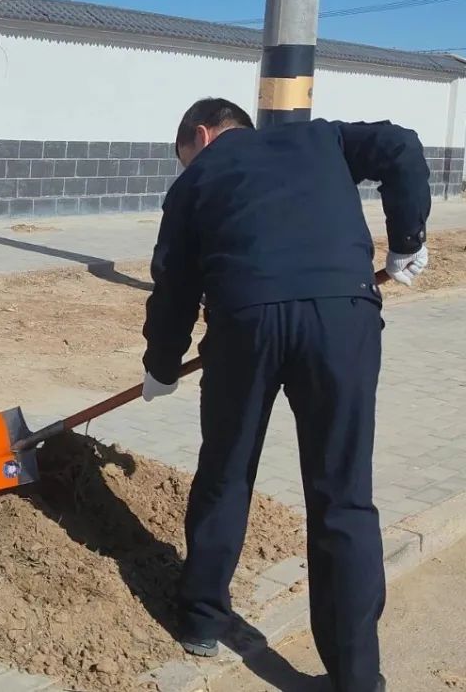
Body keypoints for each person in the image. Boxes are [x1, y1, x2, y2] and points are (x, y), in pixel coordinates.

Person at [140, 98, 431, 692]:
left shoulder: (198, 179)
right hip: (341, 316)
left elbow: (174, 281)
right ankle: (355, 677)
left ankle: (201, 618)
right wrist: (407, 237)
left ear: (200, 136)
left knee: (226, 469)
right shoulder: (323, 139)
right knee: (343, 496)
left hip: (243, 323)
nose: (187, 166)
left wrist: (161, 364)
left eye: (184, 157)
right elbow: (401, 145)